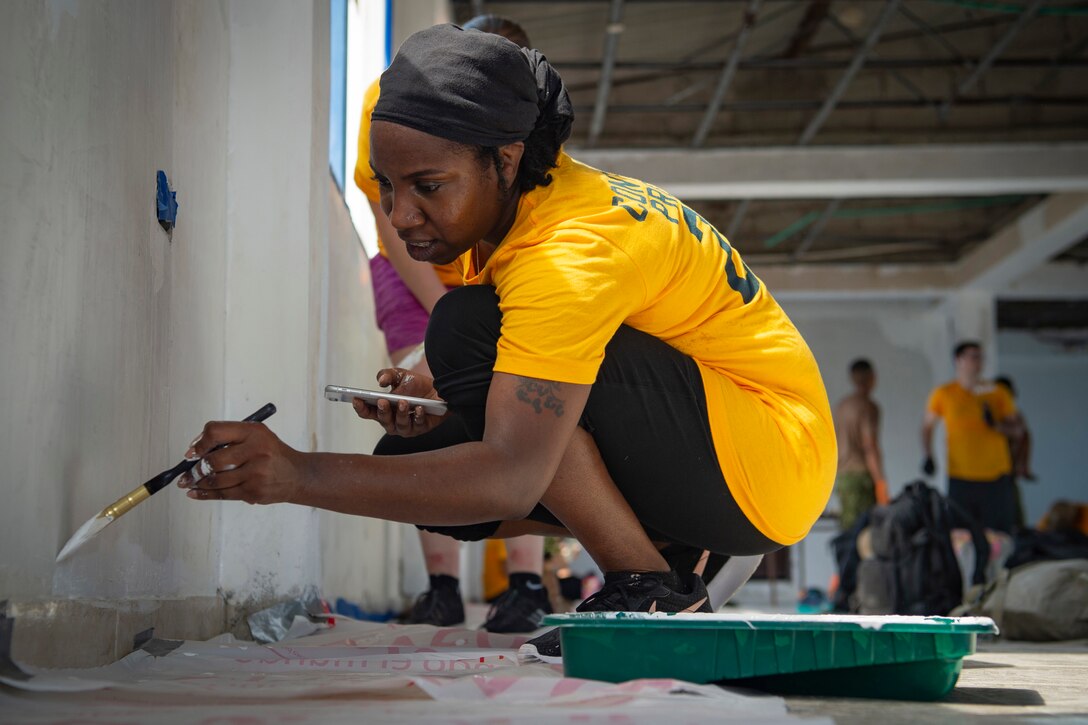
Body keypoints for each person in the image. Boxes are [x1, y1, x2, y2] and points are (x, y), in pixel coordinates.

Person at [178, 24, 837, 660]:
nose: (401, 216)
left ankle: (654, 585)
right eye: (387, 187)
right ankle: (666, 551)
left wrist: (298, 473)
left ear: (507, 159)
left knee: (464, 336)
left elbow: (510, 478)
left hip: (767, 461)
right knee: (426, 446)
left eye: (428, 186)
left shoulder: (568, 253)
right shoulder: (526, 212)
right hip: (729, 448)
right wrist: (437, 396)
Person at [354, 14, 548, 633]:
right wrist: (442, 314)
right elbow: (392, 211)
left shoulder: (532, 122)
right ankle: (442, 586)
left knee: (516, 410)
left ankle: (526, 584)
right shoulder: (393, 98)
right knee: (424, 411)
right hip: (419, 277)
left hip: (493, 277)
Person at [922, 342, 1024, 534]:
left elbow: (1018, 430)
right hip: (961, 476)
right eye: (974, 357)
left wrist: (996, 425)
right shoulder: (944, 394)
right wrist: (928, 455)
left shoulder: (997, 393)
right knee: (961, 534)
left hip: (995, 476)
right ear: (959, 360)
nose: (979, 362)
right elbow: (927, 426)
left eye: (981, 357)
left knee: (998, 535)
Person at [832, 359, 889, 531]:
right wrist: (880, 483)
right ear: (872, 377)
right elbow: (869, 446)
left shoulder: (841, 406)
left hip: (842, 477)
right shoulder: (868, 407)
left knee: (847, 530)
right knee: (863, 533)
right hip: (861, 478)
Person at [995, 375, 1036, 529]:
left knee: (1015, 519)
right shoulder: (988, 416)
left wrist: (1023, 467)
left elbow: (1023, 438)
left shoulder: (1014, 417)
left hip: (1008, 475)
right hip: (989, 476)